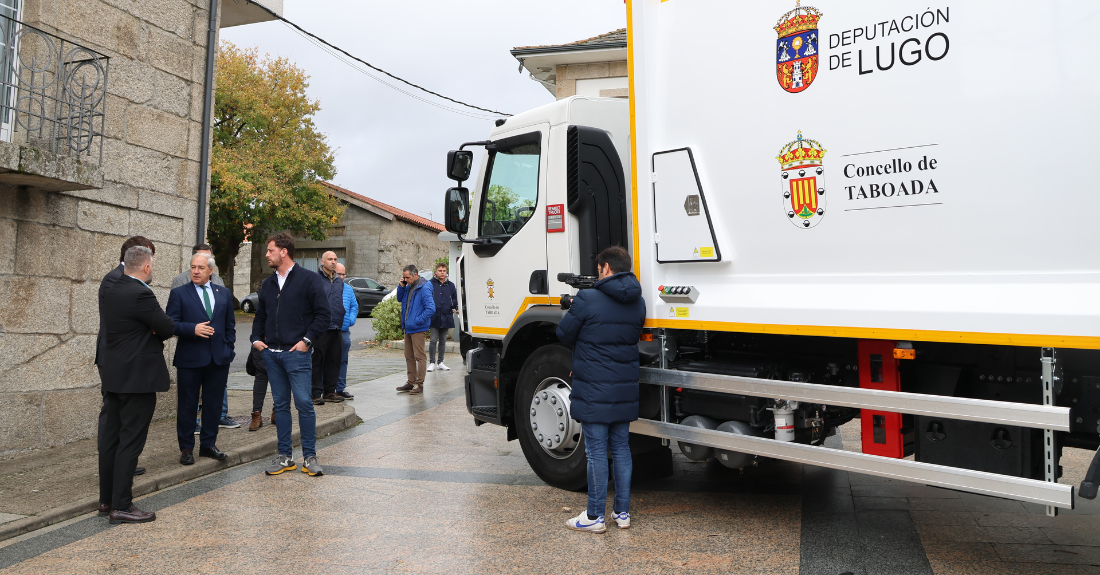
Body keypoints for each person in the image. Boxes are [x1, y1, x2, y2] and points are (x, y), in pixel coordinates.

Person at [555, 246, 646, 533]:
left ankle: (594, 516)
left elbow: (564, 334)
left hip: (594, 387)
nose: (597, 273)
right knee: (621, 448)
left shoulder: (587, 298)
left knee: (595, 452)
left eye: (598, 269)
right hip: (624, 387)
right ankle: (622, 513)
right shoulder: (638, 302)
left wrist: (573, 307)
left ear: (606, 268)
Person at [97, 246, 175, 524]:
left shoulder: (112, 288)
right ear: (146, 267)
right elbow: (166, 326)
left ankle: (107, 501)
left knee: (113, 439)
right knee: (130, 442)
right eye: (152, 265)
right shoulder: (141, 292)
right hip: (137, 379)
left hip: (115, 374)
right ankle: (122, 506)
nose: (152, 269)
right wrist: (153, 330)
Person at [251, 233, 331, 477]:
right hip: (271, 355)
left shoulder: (309, 280)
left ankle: (310, 457)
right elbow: (261, 316)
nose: (267, 255)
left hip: (297, 354)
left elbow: (323, 315)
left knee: (305, 404)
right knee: (281, 405)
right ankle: (285, 457)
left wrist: (306, 341)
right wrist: (255, 339)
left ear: (284, 251)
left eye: (270, 250)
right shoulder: (267, 284)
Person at [166, 252, 236, 466]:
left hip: (218, 360)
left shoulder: (223, 293)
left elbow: (229, 326)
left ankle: (208, 445)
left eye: (201, 268)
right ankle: (187, 448)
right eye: (193, 267)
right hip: (190, 359)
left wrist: (228, 349)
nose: (195, 271)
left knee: (214, 405)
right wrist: (192, 329)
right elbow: (170, 324)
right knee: (188, 405)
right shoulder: (179, 293)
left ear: (211, 271)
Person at [96, 236, 155, 479]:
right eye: (148, 256)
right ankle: (114, 466)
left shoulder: (125, 280)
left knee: (124, 418)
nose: (150, 263)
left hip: (123, 356)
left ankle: (123, 463)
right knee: (112, 418)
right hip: (116, 357)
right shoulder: (115, 280)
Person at [311, 251, 346, 405]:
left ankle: (330, 392)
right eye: (330, 259)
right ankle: (315, 393)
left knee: (334, 360)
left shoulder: (339, 281)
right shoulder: (315, 279)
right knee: (317, 361)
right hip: (320, 327)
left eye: (335, 259)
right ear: (322, 261)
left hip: (336, 326)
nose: (333, 262)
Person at [394, 264, 434, 395]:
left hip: (418, 328)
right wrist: (401, 286)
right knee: (408, 356)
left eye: (407, 277)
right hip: (408, 327)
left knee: (419, 356)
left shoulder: (424, 287)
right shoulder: (408, 286)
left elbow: (431, 309)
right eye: (404, 277)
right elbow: (400, 299)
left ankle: (419, 384)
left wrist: (417, 321)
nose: (405, 279)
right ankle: (410, 382)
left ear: (415, 275)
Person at [427, 262, 457, 373]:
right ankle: (431, 362)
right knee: (433, 340)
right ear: (436, 272)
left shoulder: (450, 285)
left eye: (444, 271)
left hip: (446, 315)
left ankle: (440, 362)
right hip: (434, 316)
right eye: (440, 270)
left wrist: (455, 306)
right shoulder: (430, 284)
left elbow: (455, 298)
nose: (442, 272)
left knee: (443, 341)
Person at [334, 263, 358, 399]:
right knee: (328, 360)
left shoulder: (348, 289)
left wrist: (351, 320)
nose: (342, 277)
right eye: (339, 274)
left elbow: (354, 306)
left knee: (343, 360)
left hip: (344, 331)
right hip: (330, 331)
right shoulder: (328, 287)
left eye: (343, 274)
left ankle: (340, 388)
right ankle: (327, 388)